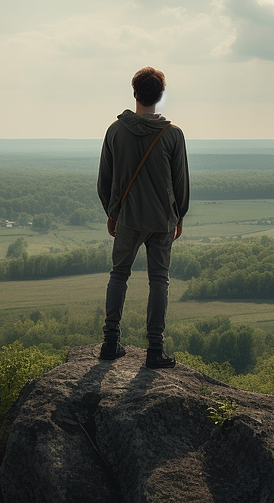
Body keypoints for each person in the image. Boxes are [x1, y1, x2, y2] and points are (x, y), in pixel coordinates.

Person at [97, 67, 190, 369]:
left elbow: (105, 180)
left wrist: (113, 212)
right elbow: (181, 183)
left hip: (126, 218)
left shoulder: (115, 130)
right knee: (159, 280)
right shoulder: (173, 134)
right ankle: (155, 350)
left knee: (118, 275)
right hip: (162, 221)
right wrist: (179, 217)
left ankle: (111, 343)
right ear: (160, 95)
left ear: (134, 93)